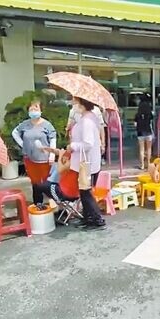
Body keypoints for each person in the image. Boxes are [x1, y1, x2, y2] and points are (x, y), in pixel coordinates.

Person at [12, 99, 57, 209]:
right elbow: (15, 132)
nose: (33, 110)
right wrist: (23, 144)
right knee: (35, 183)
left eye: (36, 108)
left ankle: (54, 205)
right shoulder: (25, 124)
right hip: (30, 158)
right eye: (31, 108)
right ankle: (38, 204)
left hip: (44, 159)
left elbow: (53, 139)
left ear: (41, 110)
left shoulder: (47, 125)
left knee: (47, 183)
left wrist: (52, 154)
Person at [69, 97, 105, 228]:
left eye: (76, 102)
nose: (73, 104)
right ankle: (88, 217)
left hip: (87, 162)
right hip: (88, 162)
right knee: (84, 192)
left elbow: (88, 144)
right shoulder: (88, 118)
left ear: (82, 104)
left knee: (86, 192)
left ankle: (97, 219)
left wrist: (73, 146)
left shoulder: (87, 121)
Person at [134, 96, 154, 170]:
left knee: (141, 149)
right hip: (148, 132)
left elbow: (135, 124)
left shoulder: (137, 115)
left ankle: (142, 165)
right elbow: (151, 121)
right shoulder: (149, 114)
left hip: (140, 132)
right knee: (149, 148)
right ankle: (148, 163)